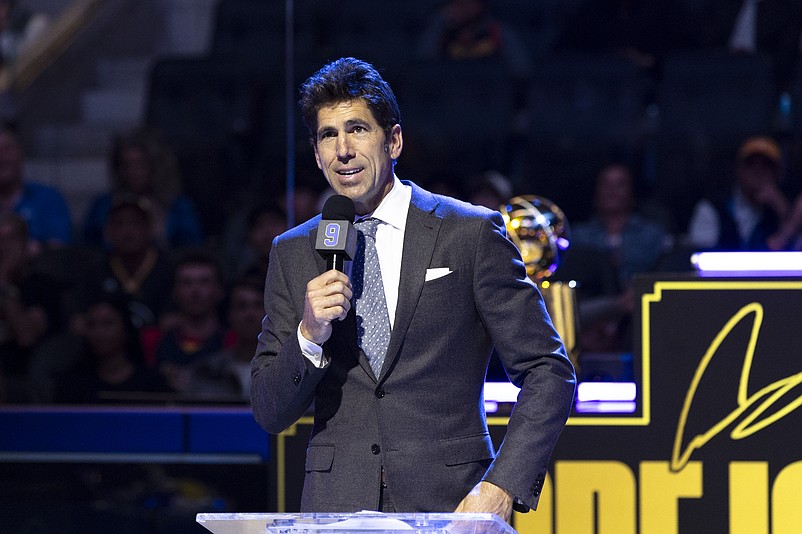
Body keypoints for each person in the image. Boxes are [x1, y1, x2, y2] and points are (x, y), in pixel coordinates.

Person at [250, 57, 575, 520]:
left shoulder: (470, 232)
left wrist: (502, 486)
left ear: (394, 140)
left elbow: (548, 370)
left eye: (357, 129)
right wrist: (308, 334)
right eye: (328, 135)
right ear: (316, 154)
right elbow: (269, 410)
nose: (343, 150)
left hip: (453, 507)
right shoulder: (294, 251)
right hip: (338, 510)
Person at [569, 163, 669, 353]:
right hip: (589, 315)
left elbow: (660, 276)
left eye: (620, 185)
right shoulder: (578, 235)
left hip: (639, 313)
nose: (612, 191)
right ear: (596, 192)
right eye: (606, 185)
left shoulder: (652, 235)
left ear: (632, 192)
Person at [82, 127, 203, 250]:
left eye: (140, 164)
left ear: (155, 167)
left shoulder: (178, 207)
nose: (133, 172)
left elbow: (190, 251)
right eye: (126, 165)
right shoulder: (103, 205)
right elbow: (88, 250)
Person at [52, 291, 172, 404]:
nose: (99, 332)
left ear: (126, 329)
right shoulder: (72, 384)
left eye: (108, 323)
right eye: (92, 324)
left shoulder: (152, 384)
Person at [141, 249, 233, 395]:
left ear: (220, 290)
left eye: (204, 282)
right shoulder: (152, 339)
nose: (195, 291)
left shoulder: (233, 341)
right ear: (174, 291)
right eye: (186, 283)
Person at [687, 135, 790, 251]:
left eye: (766, 165)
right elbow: (698, 256)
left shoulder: (783, 212)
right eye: (751, 164)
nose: (758, 172)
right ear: (739, 169)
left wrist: (782, 209)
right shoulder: (712, 208)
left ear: (778, 174)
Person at [0, 212, 62, 401]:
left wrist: (4, 282)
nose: (4, 247)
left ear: (26, 245)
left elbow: (26, 336)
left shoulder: (42, 286)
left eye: (11, 239)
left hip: (23, 380)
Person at [0, 123, 71, 255]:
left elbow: (59, 247)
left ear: (20, 154)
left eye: (7, 148)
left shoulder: (49, 198)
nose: (2, 157)